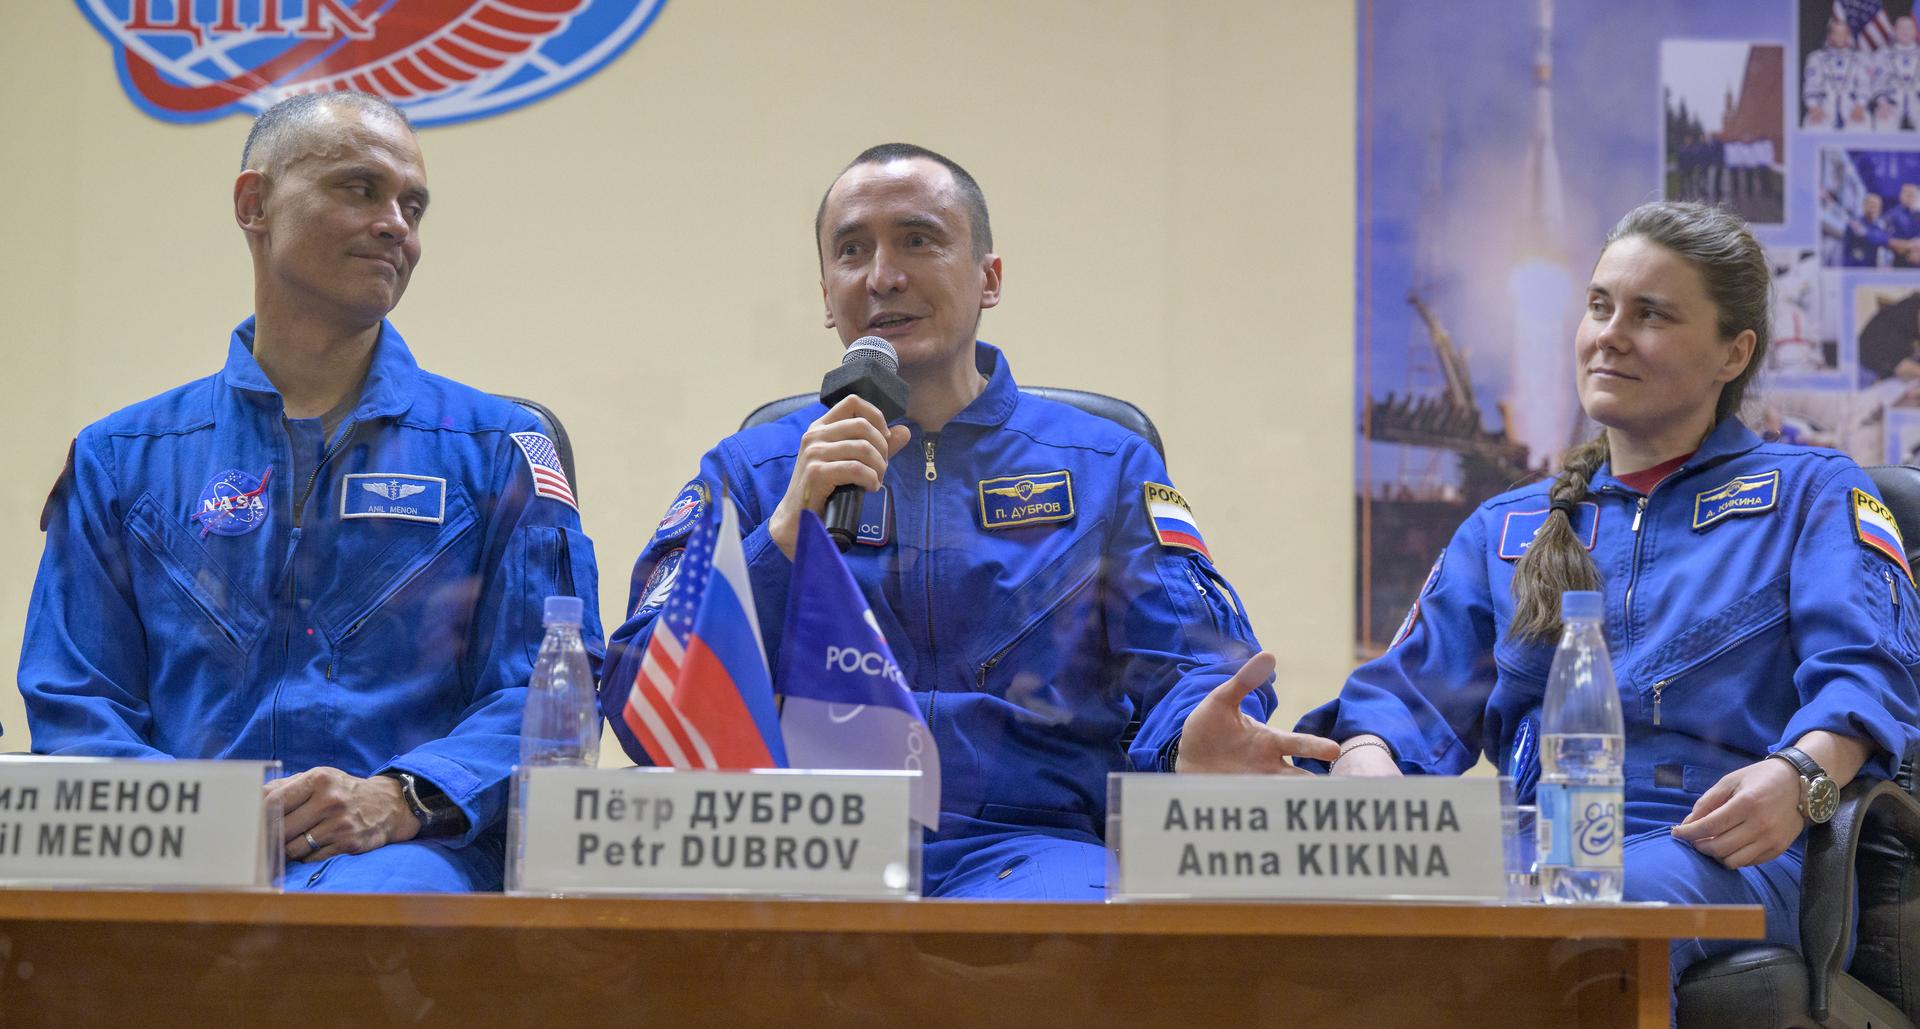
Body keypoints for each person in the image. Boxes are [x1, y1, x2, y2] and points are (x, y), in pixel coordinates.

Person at [601, 143, 1337, 899]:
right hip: (799, 841)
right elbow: (637, 702)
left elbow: (1194, 666)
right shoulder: (752, 473)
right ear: (827, 296)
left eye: (918, 239)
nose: (883, 274)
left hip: (1031, 844)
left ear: (989, 277)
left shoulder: (1106, 466)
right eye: (853, 250)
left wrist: (1190, 741)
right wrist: (784, 535)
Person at [1297, 201, 1920, 992]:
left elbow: (1871, 673)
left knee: (1586, 911)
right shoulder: (1505, 528)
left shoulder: (1813, 494)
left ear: (1735, 352)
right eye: (1599, 306)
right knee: (1315, 932)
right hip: (1534, 846)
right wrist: (1368, 757)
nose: (1610, 333)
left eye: (1651, 313)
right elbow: (1403, 695)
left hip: (1728, 848)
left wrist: (1802, 776)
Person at [17, 91, 602, 892]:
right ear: (254, 204)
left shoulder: (497, 452)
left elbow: (543, 694)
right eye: (360, 189)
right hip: (174, 866)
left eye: (414, 204)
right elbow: (77, 702)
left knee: (376, 911)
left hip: (407, 861)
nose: (398, 224)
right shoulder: (120, 459)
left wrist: (400, 798)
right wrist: (205, 818)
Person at [1805, 17, 1871, 131]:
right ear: (1830, 36)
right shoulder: (1816, 58)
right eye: (1836, 33)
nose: (1840, 37)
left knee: (1863, 124)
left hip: (1852, 106)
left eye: (1844, 33)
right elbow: (1811, 85)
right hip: (1824, 106)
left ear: (1848, 36)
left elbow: (1864, 85)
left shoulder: (1860, 59)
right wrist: (1814, 107)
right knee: (1813, 125)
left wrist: (1860, 106)